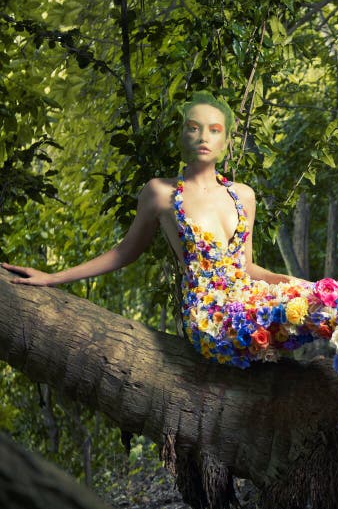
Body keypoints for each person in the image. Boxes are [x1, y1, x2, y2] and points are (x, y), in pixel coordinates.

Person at [2, 92, 300, 367]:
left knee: (337, 302)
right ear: (182, 135)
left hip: (248, 301)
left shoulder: (244, 195)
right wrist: (54, 277)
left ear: (225, 141)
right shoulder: (160, 192)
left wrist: (295, 283)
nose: (203, 137)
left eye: (214, 129)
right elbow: (124, 252)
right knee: (308, 311)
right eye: (193, 127)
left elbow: (246, 268)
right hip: (210, 317)